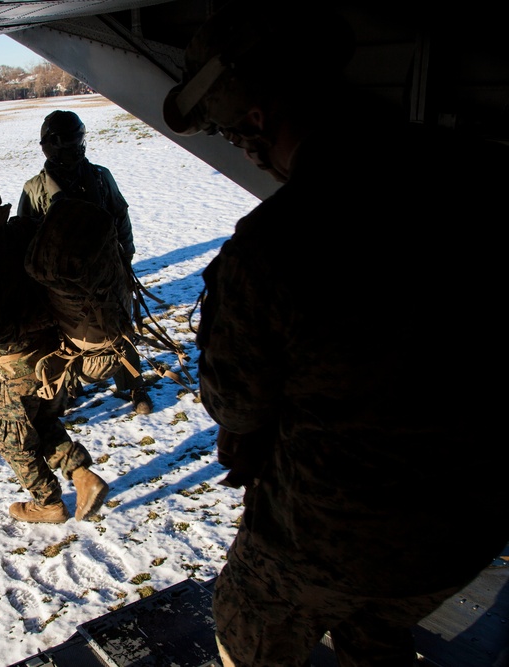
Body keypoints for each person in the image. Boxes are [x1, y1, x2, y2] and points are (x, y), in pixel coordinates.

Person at [162, 2, 509, 665]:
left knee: (244, 627)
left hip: (328, 537)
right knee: (379, 628)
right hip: (469, 527)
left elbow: (235, 407)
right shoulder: (490, 176)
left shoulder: (273, 248)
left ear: (260, 120)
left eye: (241, 139)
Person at [0, 171, 110, 523]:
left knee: (11, 441)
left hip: (18, 369)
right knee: (42, 419)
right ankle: (82, 475)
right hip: (58, 355)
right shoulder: (23, 230)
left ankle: (47, 504)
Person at [17, 110, 153, 415]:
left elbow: (120, 215)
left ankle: (133, 384)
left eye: (78, 138)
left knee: (121, 325)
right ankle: (68, 385)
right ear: (50, 144)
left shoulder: (101, 178)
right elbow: (25, 237)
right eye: (67, 140)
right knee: (63, 333)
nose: (75, 146)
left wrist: (125, 257)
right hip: (61, 282)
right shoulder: (34, 188)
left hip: (109, 272)